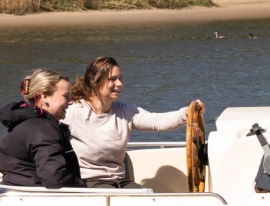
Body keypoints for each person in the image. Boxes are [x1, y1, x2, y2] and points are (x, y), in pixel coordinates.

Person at [62, 56, 202, 188]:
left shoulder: (126, 111)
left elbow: (158, 121)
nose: (119, 84)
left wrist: (187, 112)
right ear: (95, 82)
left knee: (149, 197)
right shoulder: (73, 112)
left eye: (120, 78)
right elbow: (50, 128)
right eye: (113, 79)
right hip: (89, 182)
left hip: (120, 181)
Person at [0, 69, 81, 188]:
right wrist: (83, 187)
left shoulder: (26, 122)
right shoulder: (43, 130)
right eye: (65, 96)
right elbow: (55, 179)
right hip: (35, 195)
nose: (70, 102)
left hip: (18, 190)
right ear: (44, 97)